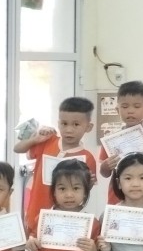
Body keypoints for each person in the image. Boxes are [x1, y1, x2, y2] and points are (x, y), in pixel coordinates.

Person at [13, 95, 97, 228]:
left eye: (76, 124)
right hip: (35, 211)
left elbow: (83, 191)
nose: (69, 130)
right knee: (33, 239)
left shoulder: (88, 158)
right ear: (58, 123)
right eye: (64, 124)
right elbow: (17, 149)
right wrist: (35, 139)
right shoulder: (48, 141)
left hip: (64, 220)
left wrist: (89, 184)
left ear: (88, 127)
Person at [98, 81, 143, 200]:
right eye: (125, 106)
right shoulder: (111, 139)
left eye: (137, 106)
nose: (130, 111)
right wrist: (106, 166)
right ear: (117, 110)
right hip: (117, 198)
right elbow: (104, 173)